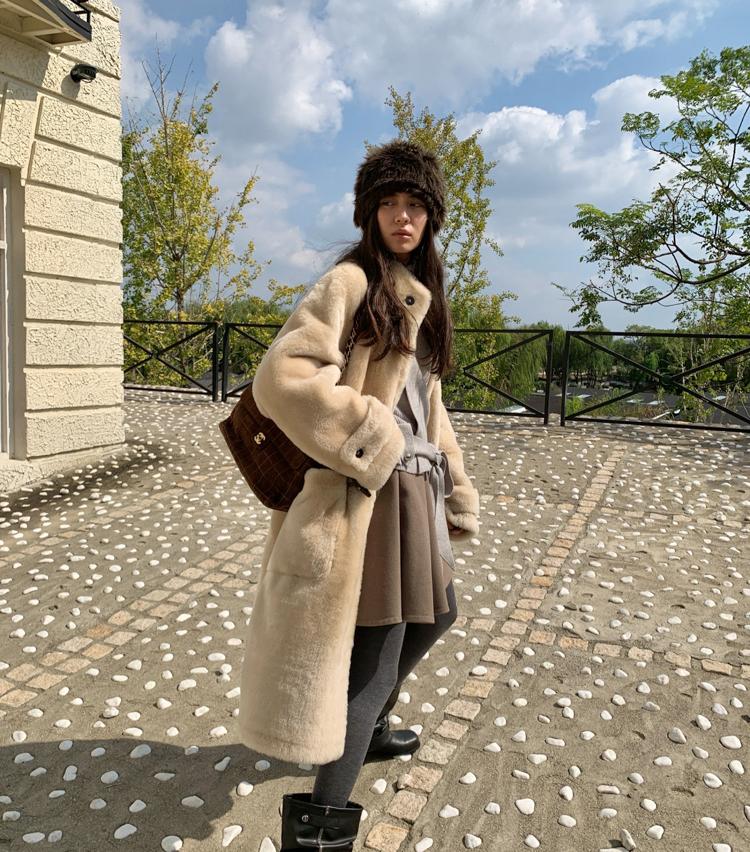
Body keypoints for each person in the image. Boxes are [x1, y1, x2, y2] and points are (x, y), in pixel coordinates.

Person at [235, 140, 480, 851]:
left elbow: (429, 409)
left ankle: (362, 727)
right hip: (370, 492)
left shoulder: (419, 291)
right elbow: (283, 378)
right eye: (389, 204)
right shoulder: (349, 281)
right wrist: (372, 435)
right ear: (369, 213)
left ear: (431, 217)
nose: (402, 217)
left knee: (440, 612)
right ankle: (320, 827)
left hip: (416, 491)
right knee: (377, 653)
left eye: (415, 205)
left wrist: (455, 487)